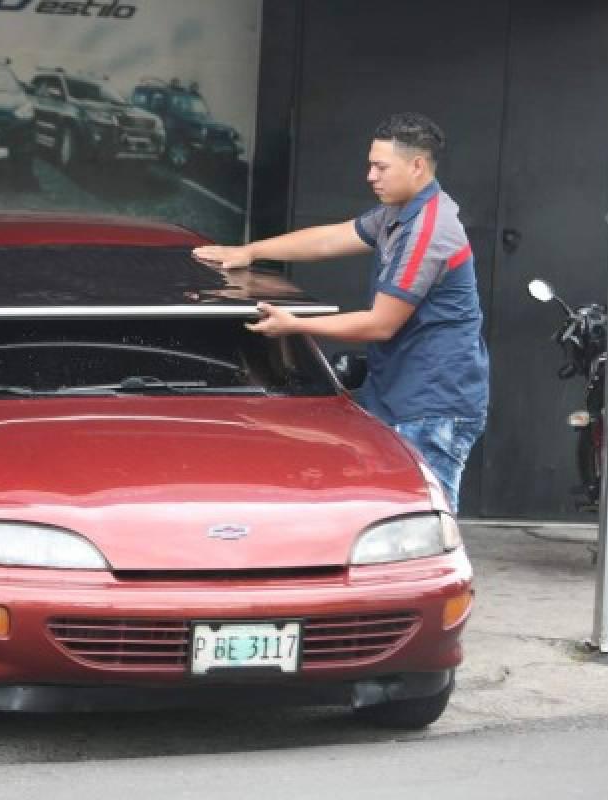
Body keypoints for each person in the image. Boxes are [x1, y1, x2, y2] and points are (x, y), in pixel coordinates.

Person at [194, 112, 488, 513]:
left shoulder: (427, 231)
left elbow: (381, 324)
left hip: (430, 405)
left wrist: (294, 325)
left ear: (417, 166)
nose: (370, 176)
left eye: (380, 166)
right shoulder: (399, 213)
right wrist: (249, 251)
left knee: (423, 522)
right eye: (371, 165)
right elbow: (332, 239)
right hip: (397, 395)